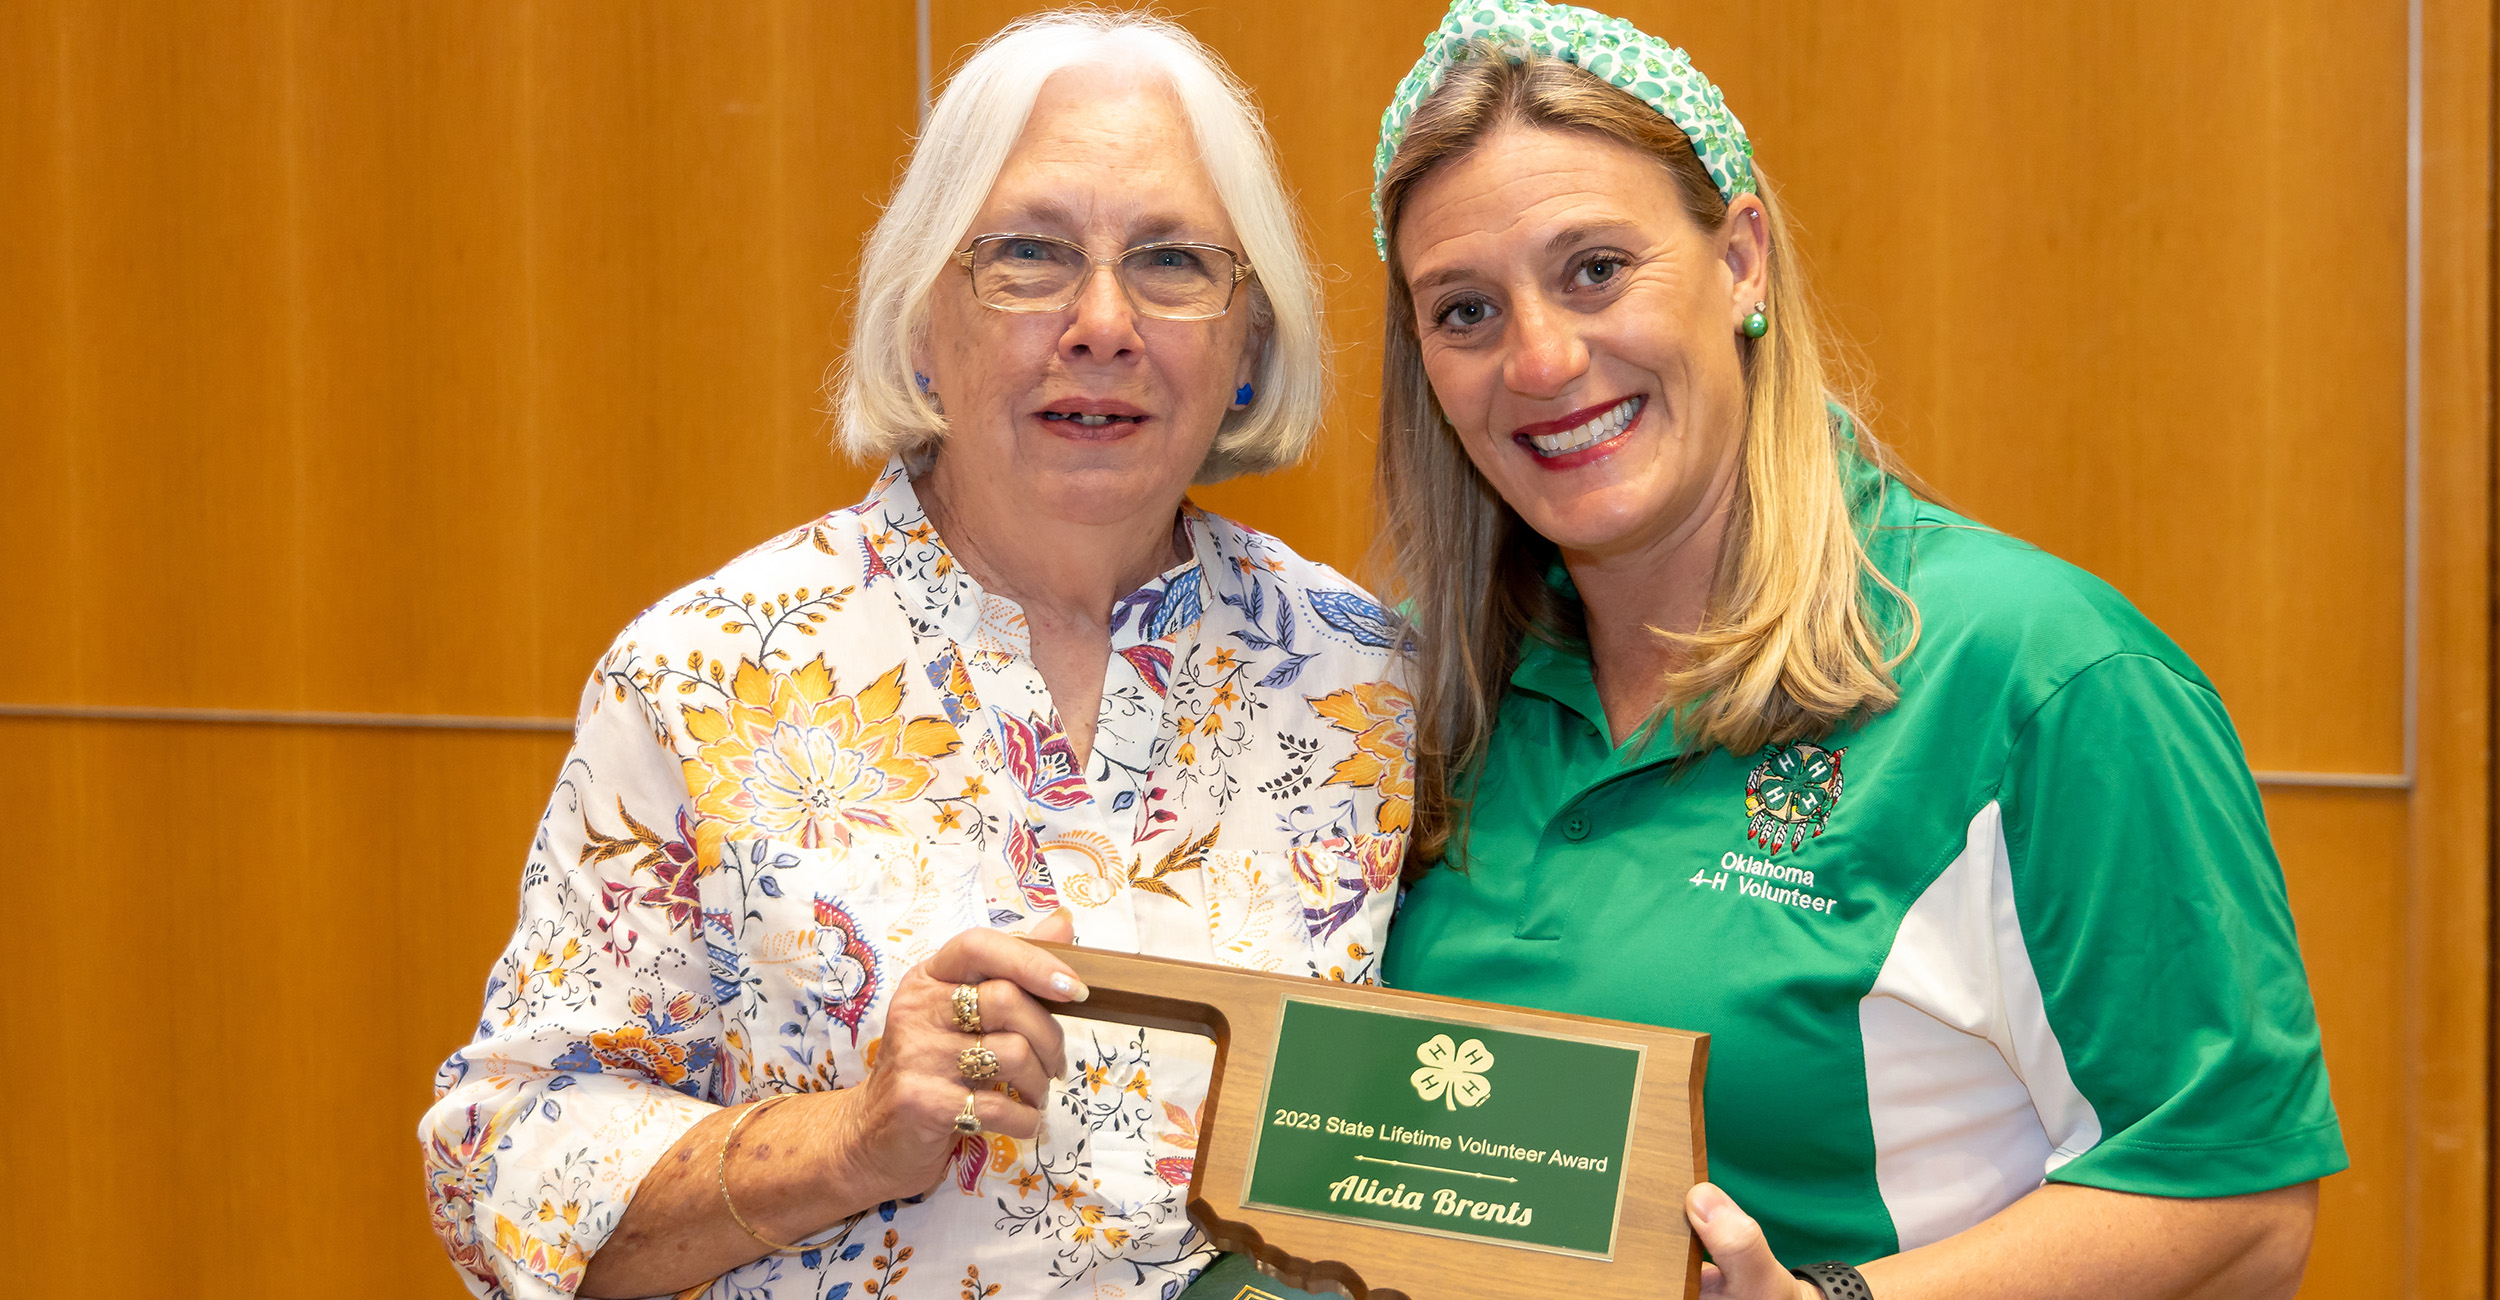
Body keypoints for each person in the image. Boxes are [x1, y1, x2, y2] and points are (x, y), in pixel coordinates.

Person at [421, 13, 1414, 1299]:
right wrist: (849, 1139)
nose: (1102, 322)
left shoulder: (1366, 680)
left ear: (1248, 347)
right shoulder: (704, 671)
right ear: (918, 323)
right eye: (1027, 258)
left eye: (1172, 262)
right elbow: (498, 1167)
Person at [1366, 4, 2346, 1298]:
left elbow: (2237, 1202)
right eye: (1467, 311)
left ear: (1741, 261)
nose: (1541, 357)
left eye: (1596, 268)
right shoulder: (1410, 702)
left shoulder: (2044, 676)